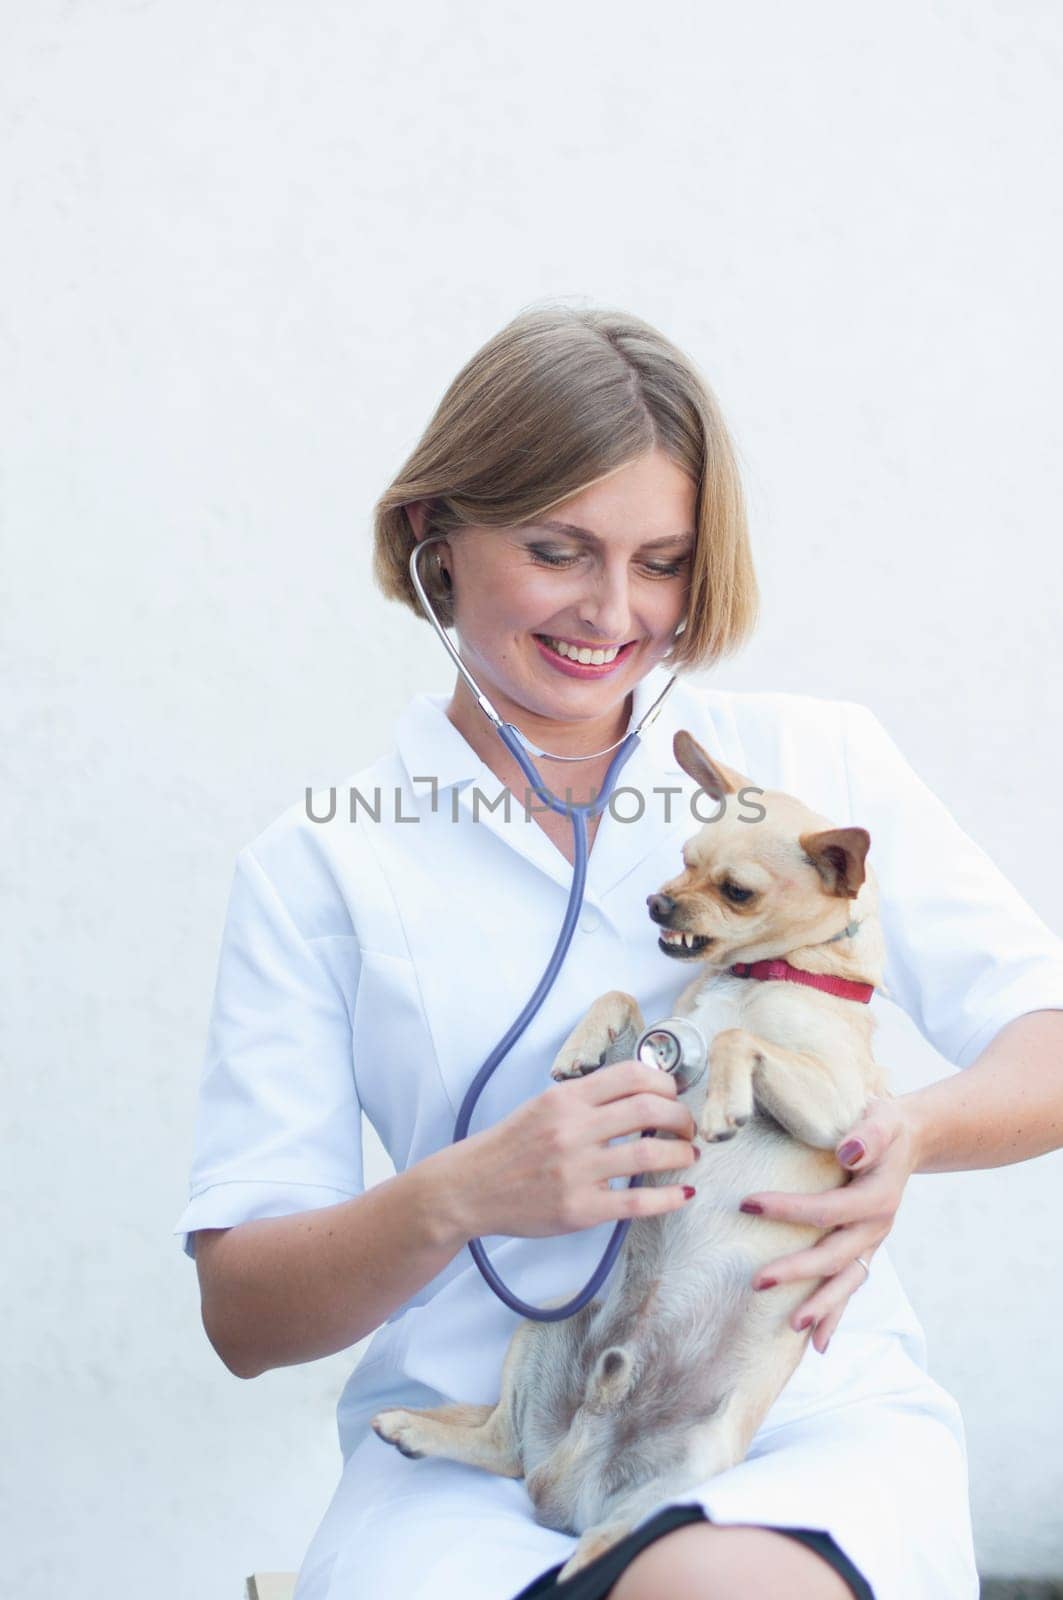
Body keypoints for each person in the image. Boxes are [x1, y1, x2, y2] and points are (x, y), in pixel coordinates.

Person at [174, 303, 1063, 1600]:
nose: (613, 611)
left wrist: (908, 1132)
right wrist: (462, 1193)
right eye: (558, 550)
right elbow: (247, 1316)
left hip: (781, 1432)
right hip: (484, 1463)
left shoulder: (816, 775)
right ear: (437, 536)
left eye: (662, 561)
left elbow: (1049, 1036)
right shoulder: (324, 866)